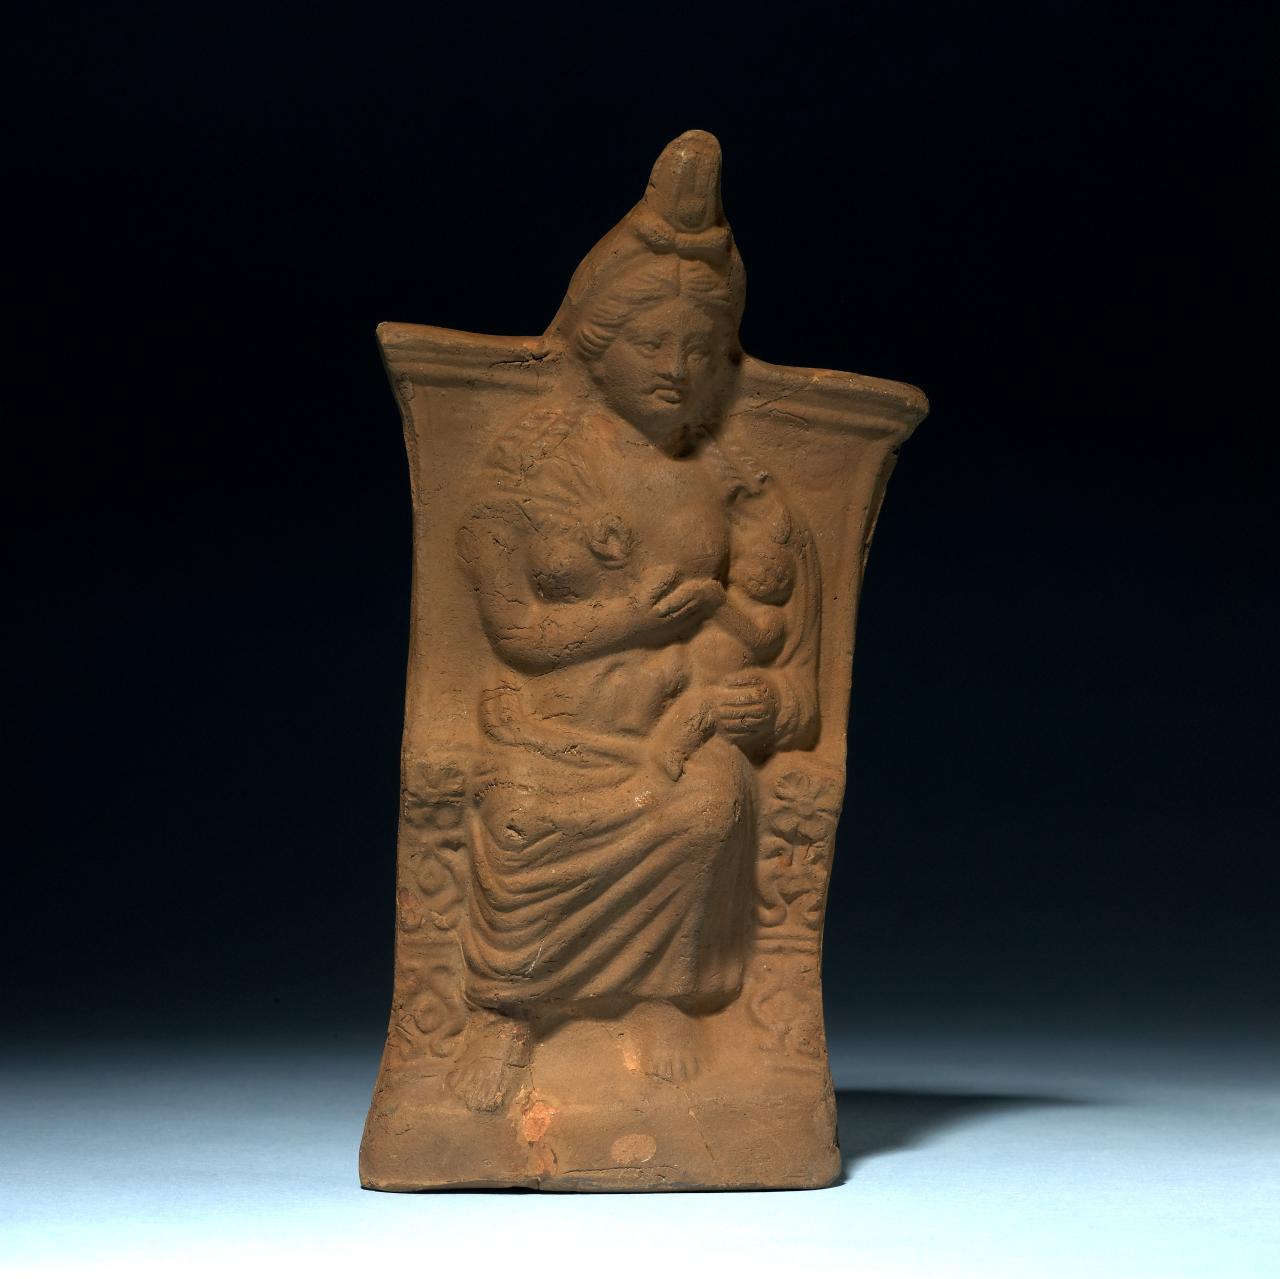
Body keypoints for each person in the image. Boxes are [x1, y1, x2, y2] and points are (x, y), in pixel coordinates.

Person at [447, 133, 820, 1111]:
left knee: (712, 804)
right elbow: (517, 635)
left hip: (670, 723)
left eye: (698, 351)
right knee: (519, 816)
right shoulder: (526, 472)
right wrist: (629, 620)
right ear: (599, 345)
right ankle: (505, 1011)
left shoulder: (727, 483)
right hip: (552, 724)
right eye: (651, 345)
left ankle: (658, 995)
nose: (675, 370)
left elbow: (784, 649)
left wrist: (755, 699)